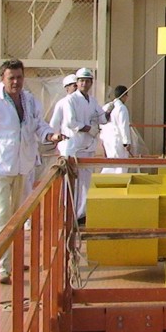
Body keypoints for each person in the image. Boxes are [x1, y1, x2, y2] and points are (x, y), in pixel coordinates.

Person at [0, 59, 63, 284]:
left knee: (20, 218)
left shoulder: (29, 101)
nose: (15, 82)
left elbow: (38, 125)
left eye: (19, 77)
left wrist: (51, 135)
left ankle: (13, 259)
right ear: (2, 78)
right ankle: (2, 267)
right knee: (1, 217)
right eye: (11, 78)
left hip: (23, 167)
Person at [53, 68, 108, 221]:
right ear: (77, 83)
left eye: (87, 80)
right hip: (73, 148)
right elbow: (71, 122)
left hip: (88, 148)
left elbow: (102, 118)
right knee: (71, 184)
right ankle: (68, 214)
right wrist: (89, 129)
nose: (84, 83)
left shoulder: (93, 101)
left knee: (85, 183)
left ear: (91, 83)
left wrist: (110, 109)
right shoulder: (70, 100)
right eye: (81, 80)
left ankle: (81, 214)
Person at [101, 85, 132, 173]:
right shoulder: (122, 108)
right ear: (124, 96)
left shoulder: (106, 107)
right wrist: (126, 142)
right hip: (118, 140)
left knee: (111, 161)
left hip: (107, 140)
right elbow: (123, 126)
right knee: (120, 163)